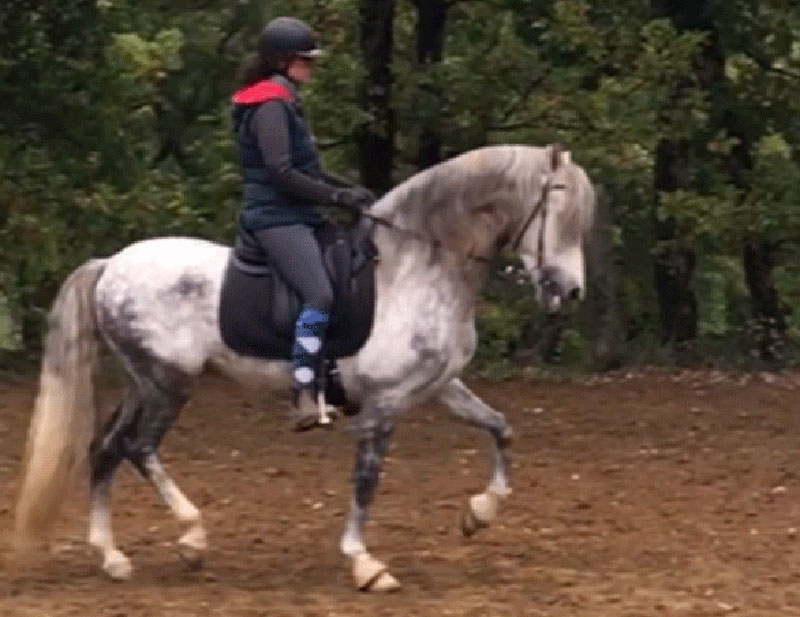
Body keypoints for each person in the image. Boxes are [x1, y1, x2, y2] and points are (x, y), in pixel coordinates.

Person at [230, 16, 374, 431]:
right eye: (304, 60)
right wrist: (335, 197)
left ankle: (334, 376)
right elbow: (282, 173)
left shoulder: (285, 99)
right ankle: (304, 390)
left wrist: (351, 190)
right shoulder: (270, 104)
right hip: (275, 218)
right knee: (319, 294)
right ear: (281, 61)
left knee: (350, 271)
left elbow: (308, 170)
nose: (310, 67)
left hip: (298, 213)